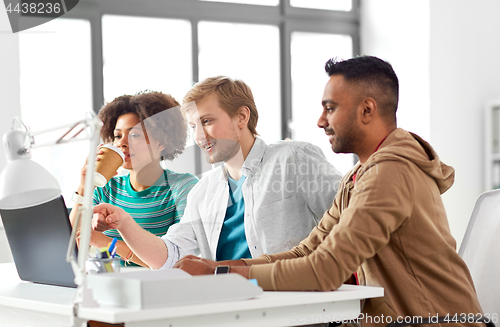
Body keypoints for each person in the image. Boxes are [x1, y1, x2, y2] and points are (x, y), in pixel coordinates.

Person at [170, 57, 484, 326]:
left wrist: (221, 277)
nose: (321, 121)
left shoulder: (390, 173)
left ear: (367, 110)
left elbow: (325, 270)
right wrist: (221, 269)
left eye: (330, 108)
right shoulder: (357, 179)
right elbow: (305, 252)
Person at [92, 76, 343, 270]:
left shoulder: (294, 158)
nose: (200, 137)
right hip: (227, 310)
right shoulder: (204, 191)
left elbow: (349, 223)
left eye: (207, 121)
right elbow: (169, 256)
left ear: (242, 117)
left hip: (295, 308)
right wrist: (123, 222)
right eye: (194, 126)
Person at [70, 91, 198, 267]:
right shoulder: (105, 188)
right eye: (117, 135)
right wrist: (84, 188)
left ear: (161, 142)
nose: (122, 143)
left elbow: (180, 262)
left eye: (134, 135)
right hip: (108, 284)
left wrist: (106, 243)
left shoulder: (183, 187)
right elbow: (69, 247)